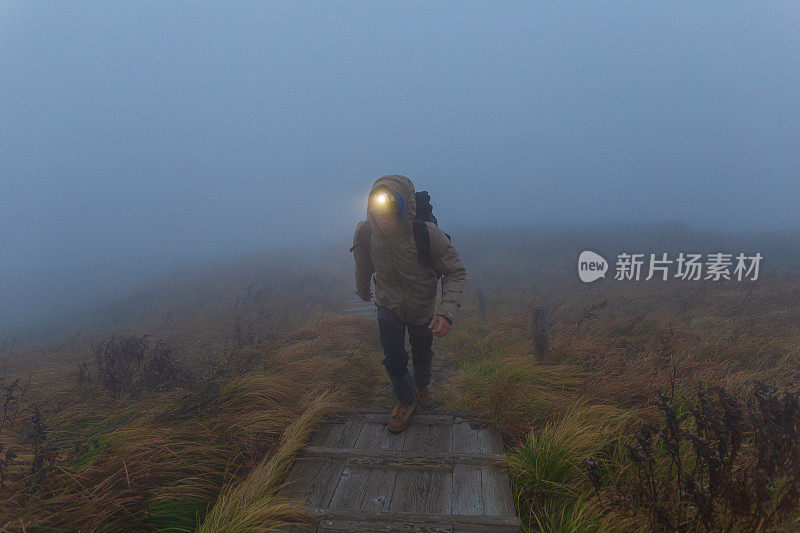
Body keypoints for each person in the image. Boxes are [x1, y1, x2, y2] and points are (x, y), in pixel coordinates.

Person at [351, 175, 466, 433]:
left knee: (422, 353)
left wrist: (446, 314)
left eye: (389, 214)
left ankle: (422, 384)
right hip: (388, 303)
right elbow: (363, 264)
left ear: (403, 210)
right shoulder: (366, 232)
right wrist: (362, 290)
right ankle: (406, 399)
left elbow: (456, 271)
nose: (384, 221)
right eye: (378, 213)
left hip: (422, 307)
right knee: (393, 358)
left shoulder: (426, 234)